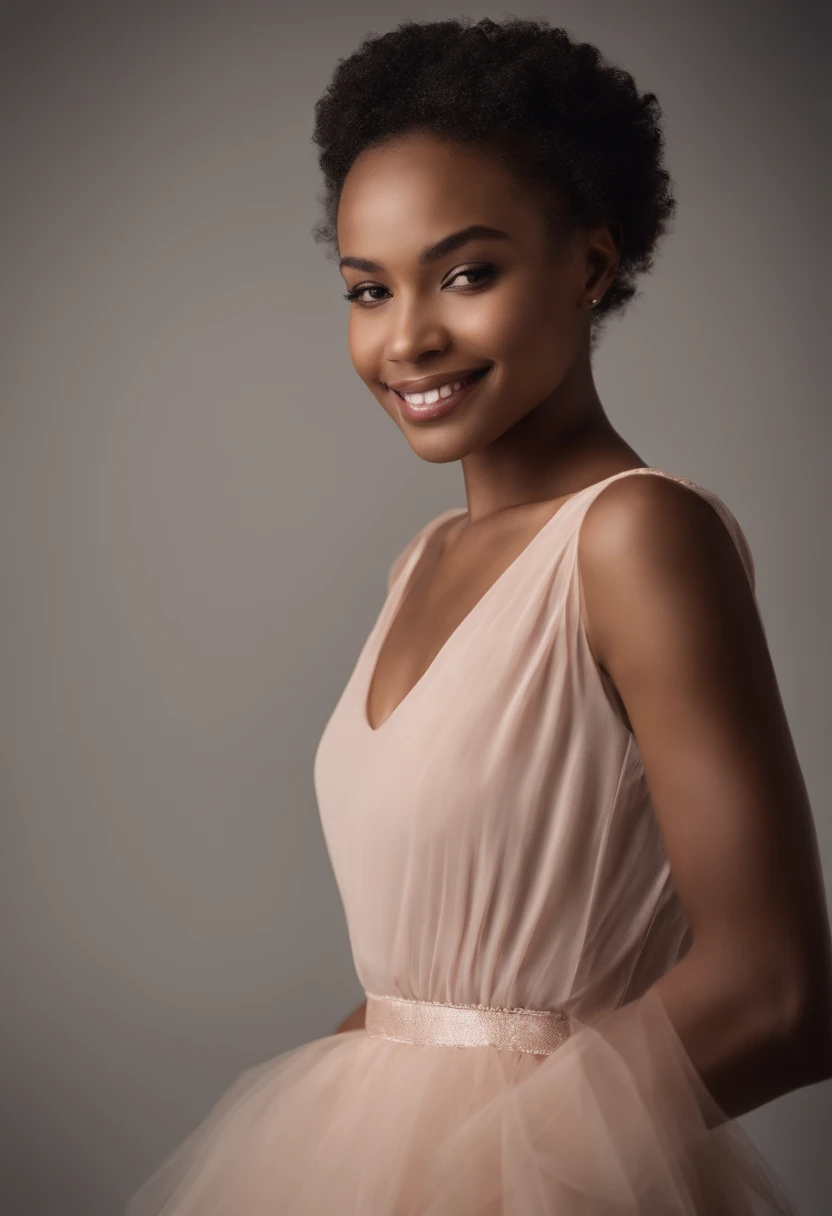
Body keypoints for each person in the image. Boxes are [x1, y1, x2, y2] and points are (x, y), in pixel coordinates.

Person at [126, 16, 832, 1214]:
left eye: (466, 273)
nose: (407, 338)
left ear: (591, 265)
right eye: (367, 288)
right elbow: (424, 997)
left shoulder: (636, 535)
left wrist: (481, 1176)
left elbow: (776, 990)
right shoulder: (422, 562)